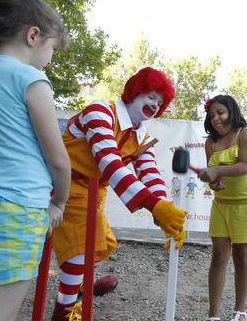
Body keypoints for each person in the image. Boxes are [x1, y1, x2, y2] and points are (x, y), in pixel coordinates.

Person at [0, 0, 71, 320]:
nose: (50, 58)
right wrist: (59, 203)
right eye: (51, 48)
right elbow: (59, 160)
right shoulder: (30, 79)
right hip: (15, 209)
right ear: (33, 36)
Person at [50, 67, 188, 320]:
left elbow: (150, 173)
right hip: (65, 184)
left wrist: (164, 212)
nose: (154, 105)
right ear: (134, 92)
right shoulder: (100, 111)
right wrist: (153, 206)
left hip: (94, 191)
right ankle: (64, 309)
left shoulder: (141, 135)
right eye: (150, 96)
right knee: (81, 248)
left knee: (104, 245)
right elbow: (109, 161)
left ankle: (81, 283)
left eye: (160, 102)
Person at [198, 95, 247, 321]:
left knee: (242, 256)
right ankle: (213, 314)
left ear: (231, 112)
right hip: (221, 205)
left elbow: (244, 166)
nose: (216, 118)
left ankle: (240, 311)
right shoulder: (210, 143)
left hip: (245, 206)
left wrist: (216, 172)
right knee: (218, 255)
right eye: (212, 115)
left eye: (220, 113)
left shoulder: (245, 134)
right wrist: (214, 183)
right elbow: (213, 179)